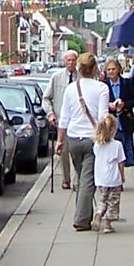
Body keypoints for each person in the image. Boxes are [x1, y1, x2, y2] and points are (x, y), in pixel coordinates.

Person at [55, 53, 110, 231]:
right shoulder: (101, 88)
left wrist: (59, 141)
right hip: (92, 139)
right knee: (88, 180)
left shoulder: (71, 88)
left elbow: (64, 117)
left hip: (73, 139)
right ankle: (81, 219)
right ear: (94, 69)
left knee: (81, 177)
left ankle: (85, 213)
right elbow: (102, 117)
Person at [45, 50, 78, 189]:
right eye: (68, 60)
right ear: (64, 61)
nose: (71, 63)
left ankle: (77, 180)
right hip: (61, 121)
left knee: (76, 152)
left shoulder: (81, 77)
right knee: (63, 152)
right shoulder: (56, 77)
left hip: (77, 121)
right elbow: (46, 98)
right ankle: (66, 179)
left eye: (73, 60)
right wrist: (50, 114)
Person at [103, 57, 134, 168]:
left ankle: (121, 174)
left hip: (124, 123)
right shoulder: (103, 85)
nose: (111, 72)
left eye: (113, 69)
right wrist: (108, 105)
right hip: (110, 124)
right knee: (111, 155)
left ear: (118, 69)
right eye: (108, 69)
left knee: (123, 155)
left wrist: (124, 105)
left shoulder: (127, 83)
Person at [91, 114, 125, 233]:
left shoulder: (97, 145)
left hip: (100, 178)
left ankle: (99, 213)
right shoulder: (117, 145)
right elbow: (121, 163)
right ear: (113, 130)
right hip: (114, 179)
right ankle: (107, 224)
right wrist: (122, 176)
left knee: (103, 199)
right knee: (113, 201)